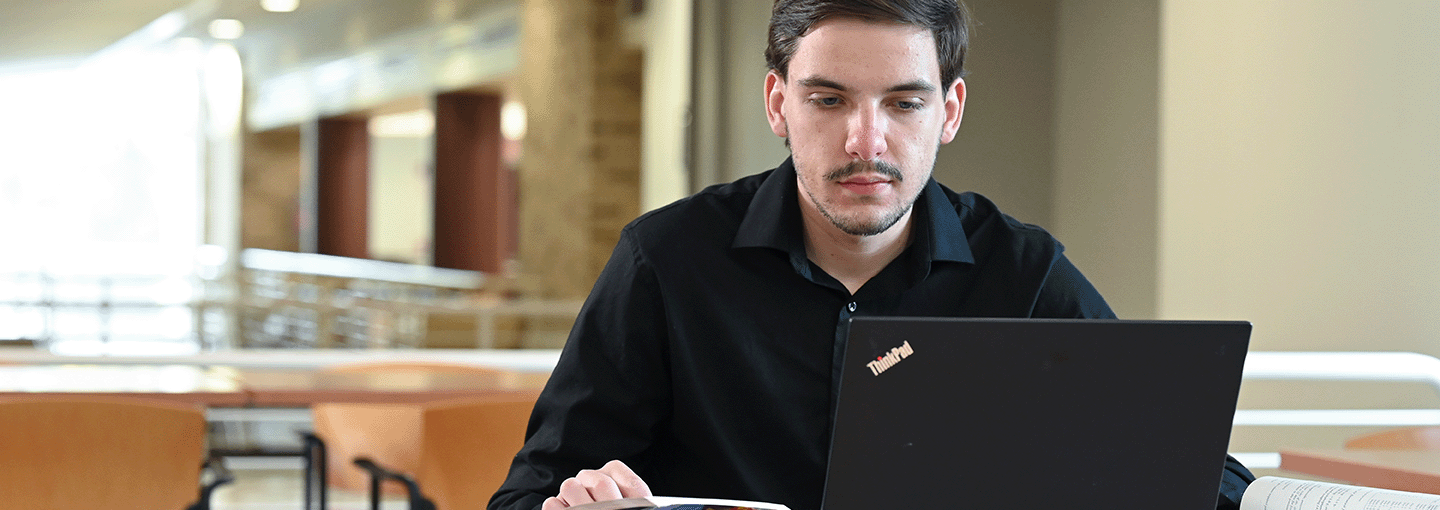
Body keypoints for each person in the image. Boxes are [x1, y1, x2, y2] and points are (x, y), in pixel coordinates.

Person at [489, 1, 1253, 509]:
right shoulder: (667, 260)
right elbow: (528, 495)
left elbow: (1173, 462)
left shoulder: (1022, 273)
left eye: (903, 102)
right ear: (777, 104)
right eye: (828, 100)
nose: (866, 142)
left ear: (948, 112)